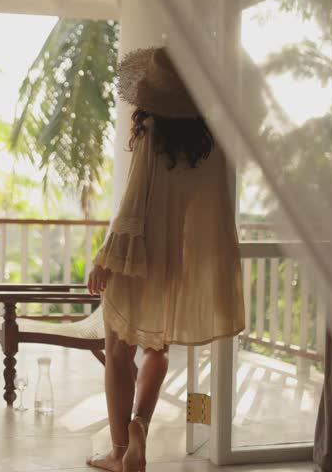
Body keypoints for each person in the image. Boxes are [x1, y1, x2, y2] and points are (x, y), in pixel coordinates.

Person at [85, 47, 245, 472]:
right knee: (158, 348)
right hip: (175, 259)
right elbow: (211, 214)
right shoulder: (209, 146)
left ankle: (120, 452)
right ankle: (139, 423)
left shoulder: (151, 135)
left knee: (118, 353)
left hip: (137, 256)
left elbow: (133, 204)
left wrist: (105, 258)